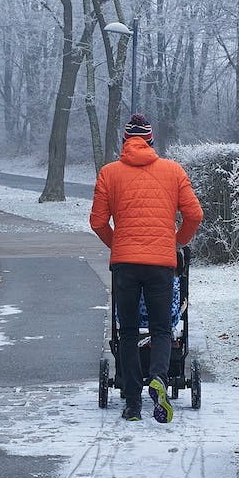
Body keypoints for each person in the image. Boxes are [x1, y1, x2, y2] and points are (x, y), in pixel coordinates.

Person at [89, 113, 203, 423]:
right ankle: (158, 379)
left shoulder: (109, 174)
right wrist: (174, 242)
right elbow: (194, 215)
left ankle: (132, 404)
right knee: (162, 328)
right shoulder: (173, 171)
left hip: (125, 265)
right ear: (151, 141)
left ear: (124, 142)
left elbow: (98, 221)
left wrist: (119, 245)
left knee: (126, 332)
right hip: (160, 266)